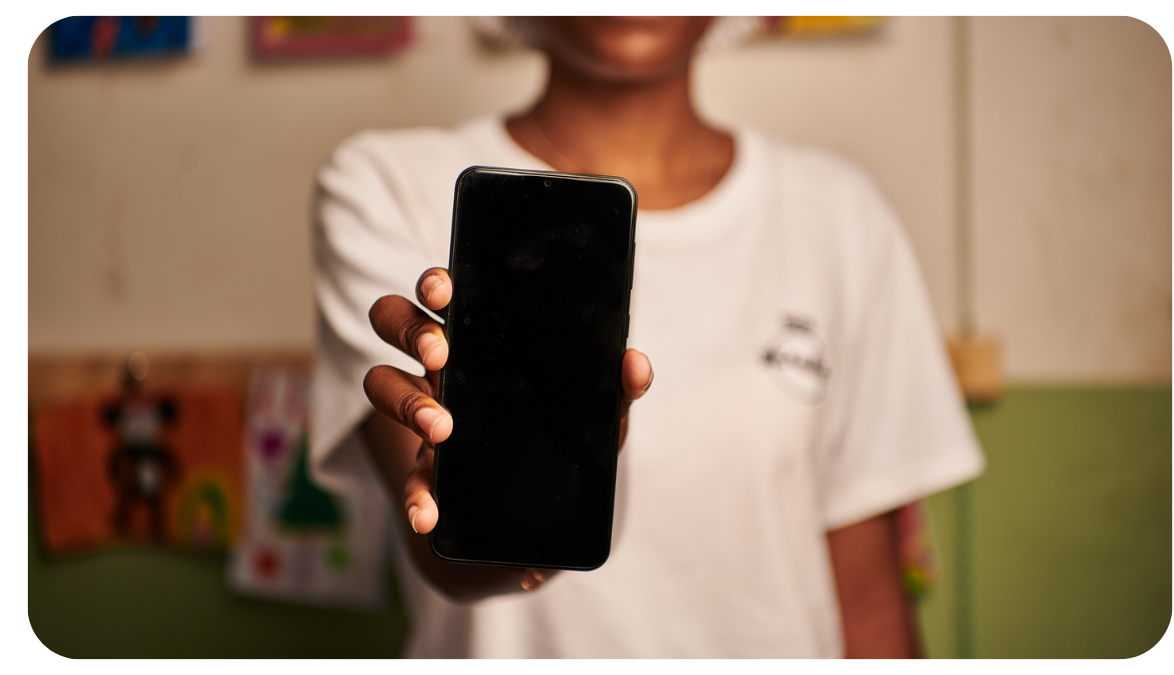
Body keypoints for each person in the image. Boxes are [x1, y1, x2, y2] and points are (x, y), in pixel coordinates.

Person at [310, 16, 985, 658]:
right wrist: (526, 527)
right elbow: (448, 554)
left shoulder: (839, 214)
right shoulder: (386, 186)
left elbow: (867, 602)